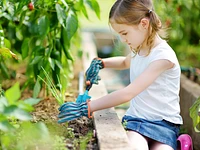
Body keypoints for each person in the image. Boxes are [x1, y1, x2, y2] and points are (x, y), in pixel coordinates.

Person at [58, 0, 183, 149]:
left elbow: (128, 93)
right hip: (138, 123)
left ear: (144, 24)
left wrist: (87, 107)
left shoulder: (163, 58)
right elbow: (125, 62)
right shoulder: (141, 47)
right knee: (135, 147)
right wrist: (102, 63)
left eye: (124, 33)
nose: (123, 40)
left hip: (164, 126)